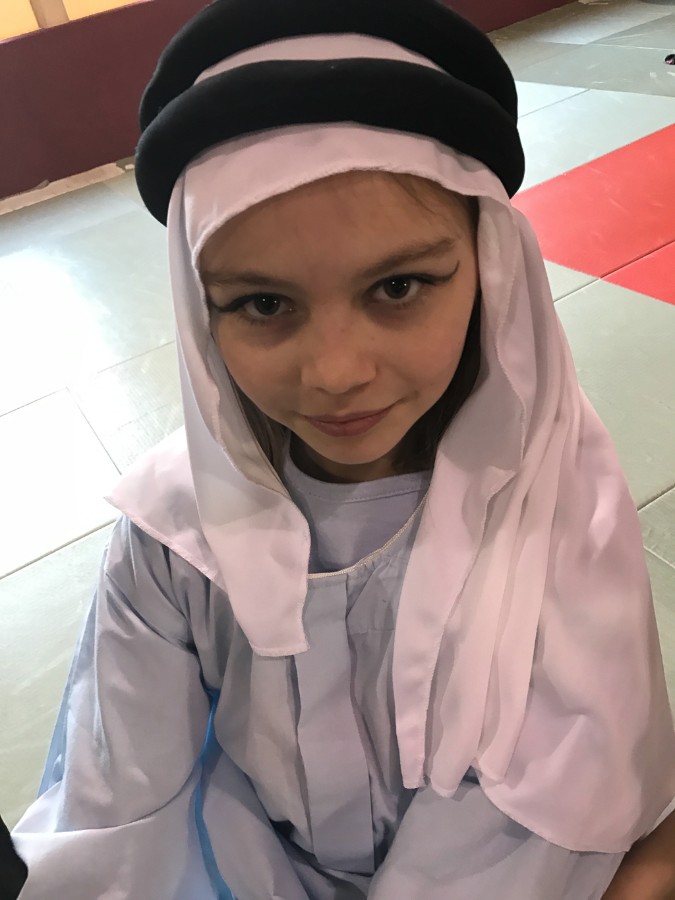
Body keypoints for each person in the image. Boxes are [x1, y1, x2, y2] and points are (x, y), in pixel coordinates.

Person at [10, 0, 675, 897]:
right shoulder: (170, 541)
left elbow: (566, 803)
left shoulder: (555, 509)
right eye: (263, 304)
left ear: (490, 270)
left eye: (397, 287)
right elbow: (120, 813)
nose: (335, 373)